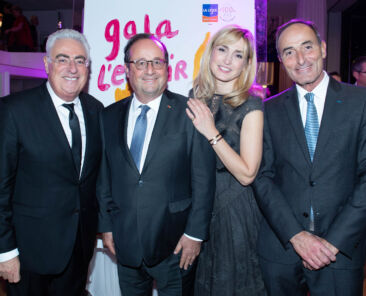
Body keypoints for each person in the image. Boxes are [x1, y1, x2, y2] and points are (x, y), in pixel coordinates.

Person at [253, 19, 366, 296]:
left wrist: (332, 242)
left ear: (323, 48)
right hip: (281, 250)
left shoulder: (360, 102)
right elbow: (262, 177)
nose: (300, 59)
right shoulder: (268, 110)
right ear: (281, 59)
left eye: (307, 47)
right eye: (289, 52)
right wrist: (296, 236)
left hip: (341, 251)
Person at [97, 33, 215, 296]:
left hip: (176, 245)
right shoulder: (108, 116)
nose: (149, 70)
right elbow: (104, 177)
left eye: (157, 62)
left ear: (167, 68)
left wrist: (195, 235)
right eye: (140, 63)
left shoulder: (191, 113)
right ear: (127, 70)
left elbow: (204, 181)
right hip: (125, 243)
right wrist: (105, 226)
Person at [0, 29, 104, 296]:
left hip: (78, 250)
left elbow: (95, 180)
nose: (72, 68)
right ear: (47, 64)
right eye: (62, 59)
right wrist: (5, 251)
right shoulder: (14, 111)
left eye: (80, 60)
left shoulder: (96, 111)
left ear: (87, 67)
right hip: (28, 256)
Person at [186, 25, 266, 295]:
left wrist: (211, 132)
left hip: (234, 211)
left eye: (238, 55)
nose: (227, 60)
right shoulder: (195, 98)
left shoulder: (251, 105)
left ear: (246, 63)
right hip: (198, 210)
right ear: (211, 52)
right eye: (222, 50)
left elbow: (247, 173)